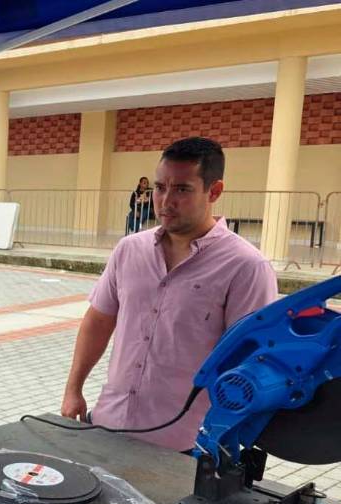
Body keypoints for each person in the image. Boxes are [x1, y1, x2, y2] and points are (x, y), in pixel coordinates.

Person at [60, 137, 278, 452]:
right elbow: (98, 321)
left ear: (214, 191)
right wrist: (73, 389)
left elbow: (250, 360)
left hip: (186, 444)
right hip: (108, 425)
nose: (166, 201)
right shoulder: (129, 250)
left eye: (182, 189)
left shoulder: (245, 266)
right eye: (160, 188)